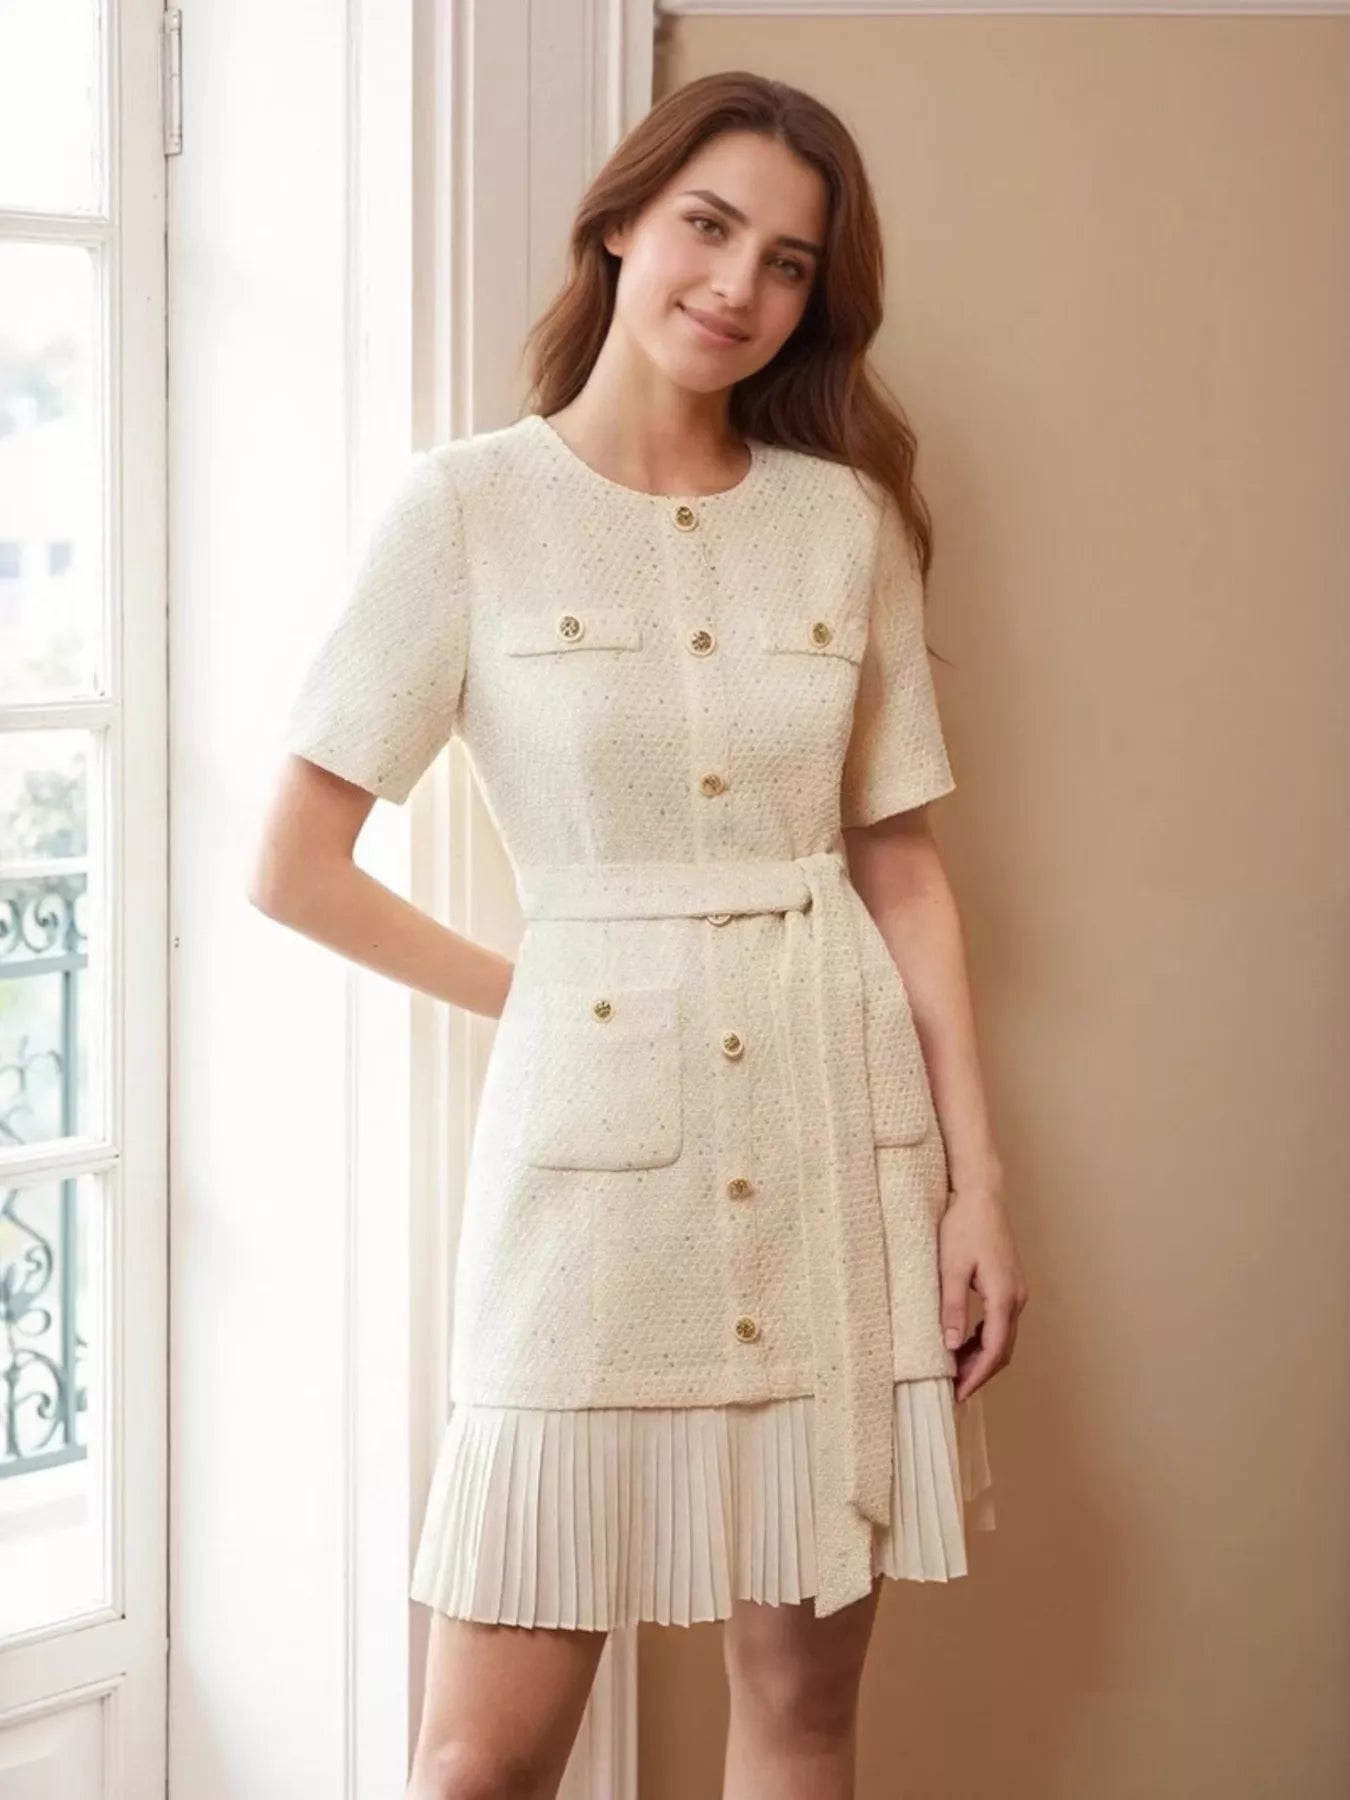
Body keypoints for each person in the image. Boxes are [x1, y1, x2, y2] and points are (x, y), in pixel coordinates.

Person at [250, 68, 1028, 1800]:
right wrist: (548, 996)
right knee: (479, 1760)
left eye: (787, 262)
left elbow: (899, 861)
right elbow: (291, 864)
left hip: (838, 1141)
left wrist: (976, 1185)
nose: (737, 285)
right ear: (618, 222)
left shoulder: (841, 523)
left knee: (801, 1715)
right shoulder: (463, 512)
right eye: (707, 226)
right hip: (592, 1182)